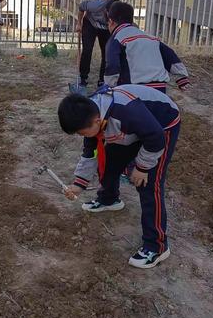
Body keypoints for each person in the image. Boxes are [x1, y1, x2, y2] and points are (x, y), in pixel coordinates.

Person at [58, 84, 180, 269]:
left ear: (97, 121)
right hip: (136, 127)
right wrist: (79, 184)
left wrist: (142, 167)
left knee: (149, 183)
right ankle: (109, 199)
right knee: (108, 162)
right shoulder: (90, 115)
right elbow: (91, 152)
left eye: (81, 133)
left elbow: (155, 138)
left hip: (162, 126)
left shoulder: (126, 111)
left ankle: (157, 247)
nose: (80, 136)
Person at [104, 2, 190, 93]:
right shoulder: (150, 38)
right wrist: (182, 78)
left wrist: (109, 87)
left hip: (133, 90)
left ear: (111, 21)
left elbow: (112, 65)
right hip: (159, 89)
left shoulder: (116, 39)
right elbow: (170, 56)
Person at [76, 0, 120, 87]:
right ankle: (83, 78)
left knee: (107, 53)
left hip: (106, 30)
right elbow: (81, 7)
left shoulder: (119, 13)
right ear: (105, 10)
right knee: (87, 50)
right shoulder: (96, 5)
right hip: (90, 24)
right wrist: (79, 23)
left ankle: (102, 80)